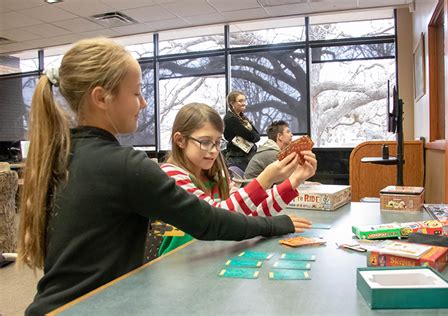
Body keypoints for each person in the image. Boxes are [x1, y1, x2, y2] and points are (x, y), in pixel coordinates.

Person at [16, 38, 312, 315]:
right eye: (136, 93)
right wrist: (276, 224)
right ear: (101, 98)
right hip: (88, 307)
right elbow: (209, 221)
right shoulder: (123, 165)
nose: (143, 103)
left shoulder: (57, 156)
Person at [158, 103, 317, 256]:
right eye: (205, 142)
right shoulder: (171, 175)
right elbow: (219, 219)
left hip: (214, 254)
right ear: (180, 140)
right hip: (178, 263)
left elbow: (248, 214)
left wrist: (295, 179)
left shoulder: (217, 175)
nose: (214, 151)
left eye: (218, 142)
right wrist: (265, 179)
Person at [223, 91, 260, 171]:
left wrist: (253, 136)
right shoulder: (230, 119)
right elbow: (251, 136)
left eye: (244, 101)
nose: (244, 103)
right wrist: (253, 136)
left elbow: (257, 136)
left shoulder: (243, 117)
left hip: (246, 156)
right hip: (238, 158)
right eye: (240, 101)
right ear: (232, 103)